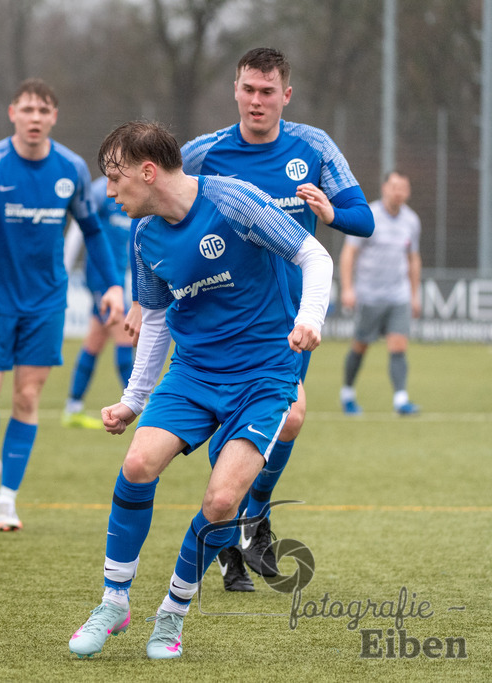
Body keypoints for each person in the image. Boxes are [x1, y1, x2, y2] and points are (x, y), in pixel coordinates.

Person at [68, 120, 332, 660]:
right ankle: (114, 602)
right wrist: (134, 398)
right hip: (193, 375)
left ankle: (172, 613)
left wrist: (310, 317)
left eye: (115, 180)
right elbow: (159, 319)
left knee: (220, 500)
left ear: (148, 172)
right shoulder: (146, 236)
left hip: (264, 377)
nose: (110, 193)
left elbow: (315, 255)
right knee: (138, 464)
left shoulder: (234, 200)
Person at [179, 46, 374, 591]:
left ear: (285, 95)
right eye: (249, 89)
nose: (257, 100)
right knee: (246, 425)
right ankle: (236, 530)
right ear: (235, 90)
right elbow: (150, 201)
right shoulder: (204, 154)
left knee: (283, 421)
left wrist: (332, 213)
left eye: (268, 91)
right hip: (221, 316)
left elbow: (364, 219)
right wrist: (138, 296)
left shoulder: (312, 148)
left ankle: (248, 520)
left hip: (289, 320)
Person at [0, 78, 125, 531]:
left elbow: (93, 231)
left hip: (47, 300)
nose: (35, 117)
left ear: (54, 117)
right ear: (12, 112)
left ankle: (8, 501)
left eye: (43, 110)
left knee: (28, 396)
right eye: (27, 109)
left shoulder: (71, 168)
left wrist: (112, 285)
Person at [339, 171, 422, 415]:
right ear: (384, 188)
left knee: (398, 345)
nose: (398, 192)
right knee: (361, 345)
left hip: (399, 295)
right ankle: (347, 393)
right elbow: (349, 253)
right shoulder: (368, 216)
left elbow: (413, 258)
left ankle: (400, 399)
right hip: (369, 295)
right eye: (394, 186)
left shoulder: (412, 221)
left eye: (403, 187)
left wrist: (415, 294)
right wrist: (347, 288)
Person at [61, 175, 135, 430]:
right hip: (101, 278)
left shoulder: (135, 190)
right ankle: (140, 405)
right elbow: (79, 230)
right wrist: (65, 270)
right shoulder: (100, 191)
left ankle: (73, 407)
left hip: (116, 278)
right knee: (125, 336)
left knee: (96, 339)